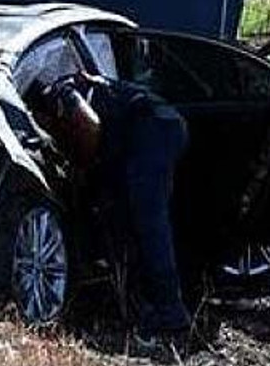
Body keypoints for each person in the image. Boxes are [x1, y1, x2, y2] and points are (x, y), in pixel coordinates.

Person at [33, 71, 191, 347]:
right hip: (159, 127)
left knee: (149, 224)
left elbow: (90, 131)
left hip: (151, 130)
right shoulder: (79, 84)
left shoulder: (64, 96)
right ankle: (150, 301)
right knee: (139, 222)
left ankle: (171, 312)